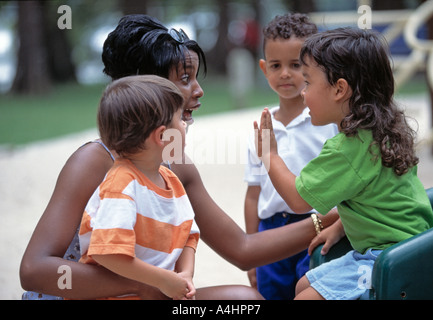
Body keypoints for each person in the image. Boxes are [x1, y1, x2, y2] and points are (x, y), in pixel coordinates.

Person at [20, 14, 338, 300]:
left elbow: (241, 249)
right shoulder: (94, 160)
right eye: (185, 79)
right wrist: (141, 284)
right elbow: (35, 270)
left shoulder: (175, 161)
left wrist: (332, 217)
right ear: (143, 86)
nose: (199, 91)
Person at [254, 27, 433, 300]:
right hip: (410, 245)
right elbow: (382, 196)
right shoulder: (382, 130)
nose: (303, 92)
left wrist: (270, 155)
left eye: (308, 82)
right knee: (302, 285)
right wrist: (342, 225)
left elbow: (298, 200)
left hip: (386, 259)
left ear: (339, 89)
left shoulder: (347, 149)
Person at [76, 75, 199, 300]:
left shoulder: (171, 181)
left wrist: (185, 274)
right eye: (180, 119)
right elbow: (108, 253)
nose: (185, 124)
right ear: (162, 136)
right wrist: (163, 279)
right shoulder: (121, 185)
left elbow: (189, 235)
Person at [244, 13, 339, 300]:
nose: (285, 73)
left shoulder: (327, 122)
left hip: (317, 225)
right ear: (264, 68)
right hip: (270, 231)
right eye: (276, 65)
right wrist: (252, 248)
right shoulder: (262, 127)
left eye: (296, 65)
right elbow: (253, 193)